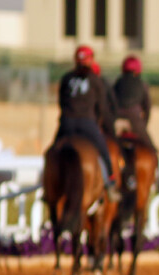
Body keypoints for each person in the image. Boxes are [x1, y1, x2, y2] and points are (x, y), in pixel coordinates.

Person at [53, 45, 120, 201]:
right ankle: (110, 182)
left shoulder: (66, 78)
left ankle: (46, 182)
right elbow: (101, 107)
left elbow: (61, 101)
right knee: (104, 150)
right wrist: (96, 123)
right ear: (91, 60)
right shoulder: (96, 80)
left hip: (67, 123)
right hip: (87, 123)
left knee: (53, 150)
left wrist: (66, 117)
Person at [113, 55, 159, 192]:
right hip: (135, 122)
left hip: (117, 122)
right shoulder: (142, 84)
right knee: (152, 150)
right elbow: (147, 108)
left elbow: (110, 103)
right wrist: (142, 126)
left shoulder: (117, 83)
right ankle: (158, 182)